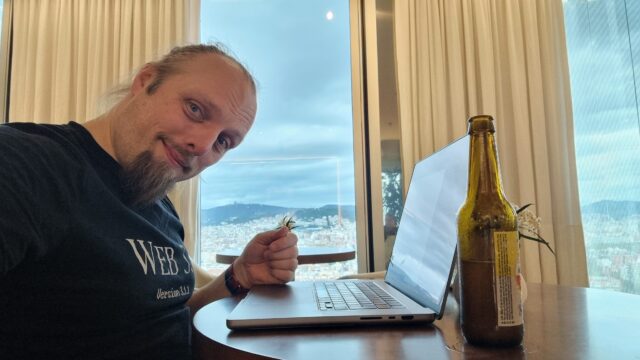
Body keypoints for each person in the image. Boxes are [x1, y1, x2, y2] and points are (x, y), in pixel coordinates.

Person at [0, 44, 299, 359]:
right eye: (195, 109)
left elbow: (166, 312)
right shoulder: (27, 164)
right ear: (145, 82)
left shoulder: (159, 204)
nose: (202, 146)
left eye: (224, 141)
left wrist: (240, 276)